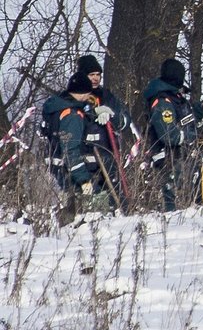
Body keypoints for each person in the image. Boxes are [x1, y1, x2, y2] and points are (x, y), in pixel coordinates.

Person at [142, 58, 203, 211]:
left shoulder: (176, 98)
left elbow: (186, 117)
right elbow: (170, 135)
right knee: (173, 210)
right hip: (168, 161)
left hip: (183, 159)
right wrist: (192, 137)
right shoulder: (162, 101)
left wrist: (202, 107)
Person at [40, 72, 113, 213]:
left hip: (58, 168)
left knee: (72, 207)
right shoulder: (72, 116)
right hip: (70, 171)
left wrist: (93, 113)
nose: (89, 96)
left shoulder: (58, 106)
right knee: (97, 207)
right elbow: (70, 150)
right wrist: (84, 180)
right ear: (83, 92)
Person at [76, 54, 135, 205]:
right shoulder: (74, 97)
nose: (95, 78)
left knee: (117, 201)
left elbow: (125, 120)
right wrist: (91, 114)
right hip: (85, 158)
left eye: (98, 75)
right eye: (91, 75)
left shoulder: (107, 96)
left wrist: (112, 116)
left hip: (109, 155)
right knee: (90, 203)